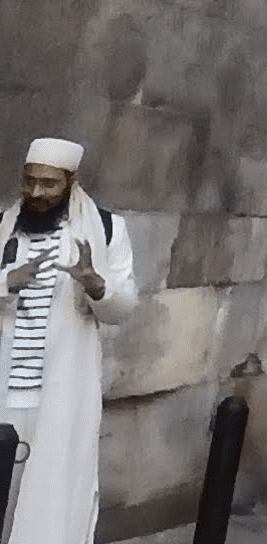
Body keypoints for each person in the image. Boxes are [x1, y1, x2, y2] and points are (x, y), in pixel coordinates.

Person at [1, 138, 136, 544]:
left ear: (72, 181)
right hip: (5, 391)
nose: (36, 193)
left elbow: (123, 307)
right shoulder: (3, 226)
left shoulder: (107, 229)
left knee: (51, 498)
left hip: (60, 395)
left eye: (48, 184)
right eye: (29, 182)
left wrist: (96, 284)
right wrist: (7, 281)